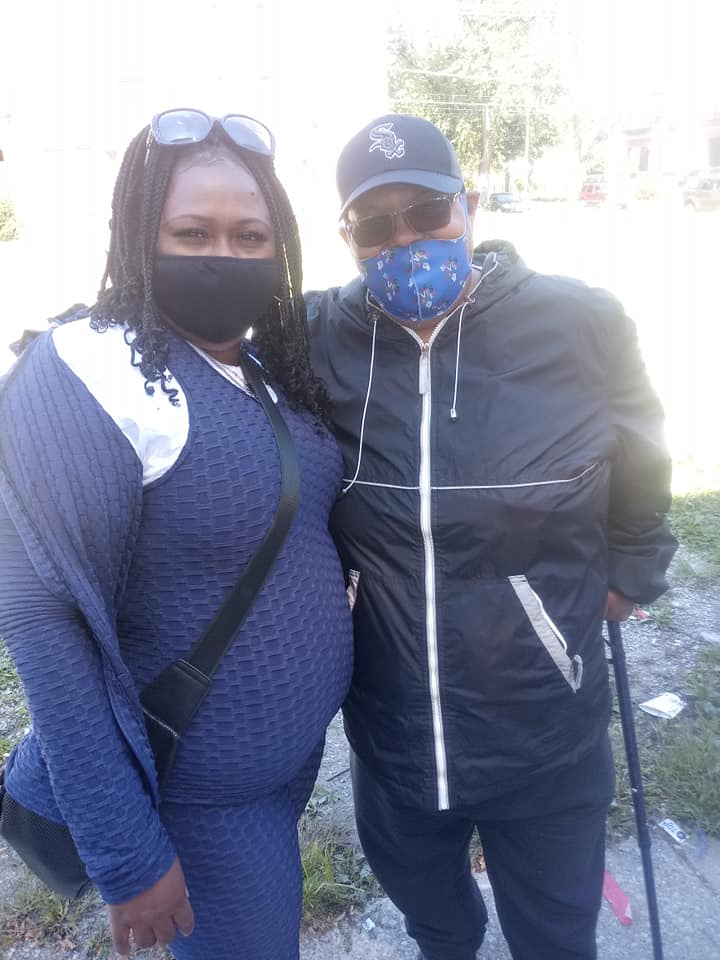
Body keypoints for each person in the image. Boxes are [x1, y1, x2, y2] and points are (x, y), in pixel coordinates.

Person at [306, 114, 676, 960]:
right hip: (393, 737)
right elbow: (204, 345)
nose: (406, 239)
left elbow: (643, 452)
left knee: (555, 940)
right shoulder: (317, 334)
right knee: (438, 930)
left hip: (545, 733)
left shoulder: (579, 322)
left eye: (426, 211)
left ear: (468, 204)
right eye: (376, 224)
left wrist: (631, 567)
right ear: (347, 237)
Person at [0, 109, 353, 960]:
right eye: (192, 232)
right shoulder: (93, 366)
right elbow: (42, 620)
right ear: (138, 231)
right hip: (196, 798)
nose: (223, 255)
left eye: (250, 235)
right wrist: (126, 853)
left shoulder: (256, 362)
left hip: (281, 768)